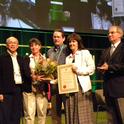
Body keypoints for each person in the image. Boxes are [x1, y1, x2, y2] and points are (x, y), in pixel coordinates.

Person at [0, 36, 32, 124]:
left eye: (15, 43)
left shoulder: (21, 58)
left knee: (16, 115)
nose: (12, 44)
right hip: (5, 92)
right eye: (10, 42)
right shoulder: (2, 58)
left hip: (18, 89)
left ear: (18, 46)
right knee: (5, 117)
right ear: (7, 45)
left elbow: (26, 74)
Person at [65, 33, 95, 124]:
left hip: (83, 88)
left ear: (78, 42)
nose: (71, 44)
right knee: (72, 110)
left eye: (74, 41)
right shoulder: (68, 58)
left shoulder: (85, 53)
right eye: (70, 42)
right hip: (71, 88)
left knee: (83, 113)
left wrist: (78, 70)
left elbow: (92, 69)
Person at [97, 25, 124, 124]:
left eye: (112, 32)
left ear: (120, 34)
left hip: (120, 89)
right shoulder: (106, 50)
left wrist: (110, 67)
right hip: (108, 89)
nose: (109, 35)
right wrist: (100, 69)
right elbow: (100, 64)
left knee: (121, 116)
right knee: (111, 119)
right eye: (108, 33)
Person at [23, 38, 48, 124]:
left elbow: (49, 73)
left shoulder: (45, 59)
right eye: (31, 45)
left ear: (40, 46)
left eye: (36, 45)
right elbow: (25, 72)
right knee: (29, 114)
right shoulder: (26, 58)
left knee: (42, 113)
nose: (34, 47)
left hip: (42, 89)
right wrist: (33, 77)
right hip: (29, 89)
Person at [47, 29, 69, 124]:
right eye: (54, 37)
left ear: (63, 38)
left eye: (58, 37)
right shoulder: (49, 51)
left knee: (68, 110)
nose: (56, 38)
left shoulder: (68, 49)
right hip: (54, 85)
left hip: (66, 84)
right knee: (55, 112)